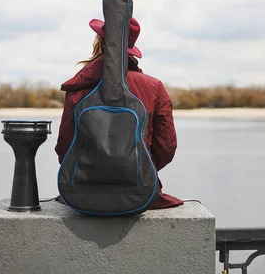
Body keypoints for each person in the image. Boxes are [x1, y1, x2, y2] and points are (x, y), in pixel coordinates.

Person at [55, 16, 183, 210]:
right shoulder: (153, 87)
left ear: (100, 41)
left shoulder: (78, 88)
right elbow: (166, 147)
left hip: (81, 194)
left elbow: (65, 146)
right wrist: (140, 169)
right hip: (140, 192)